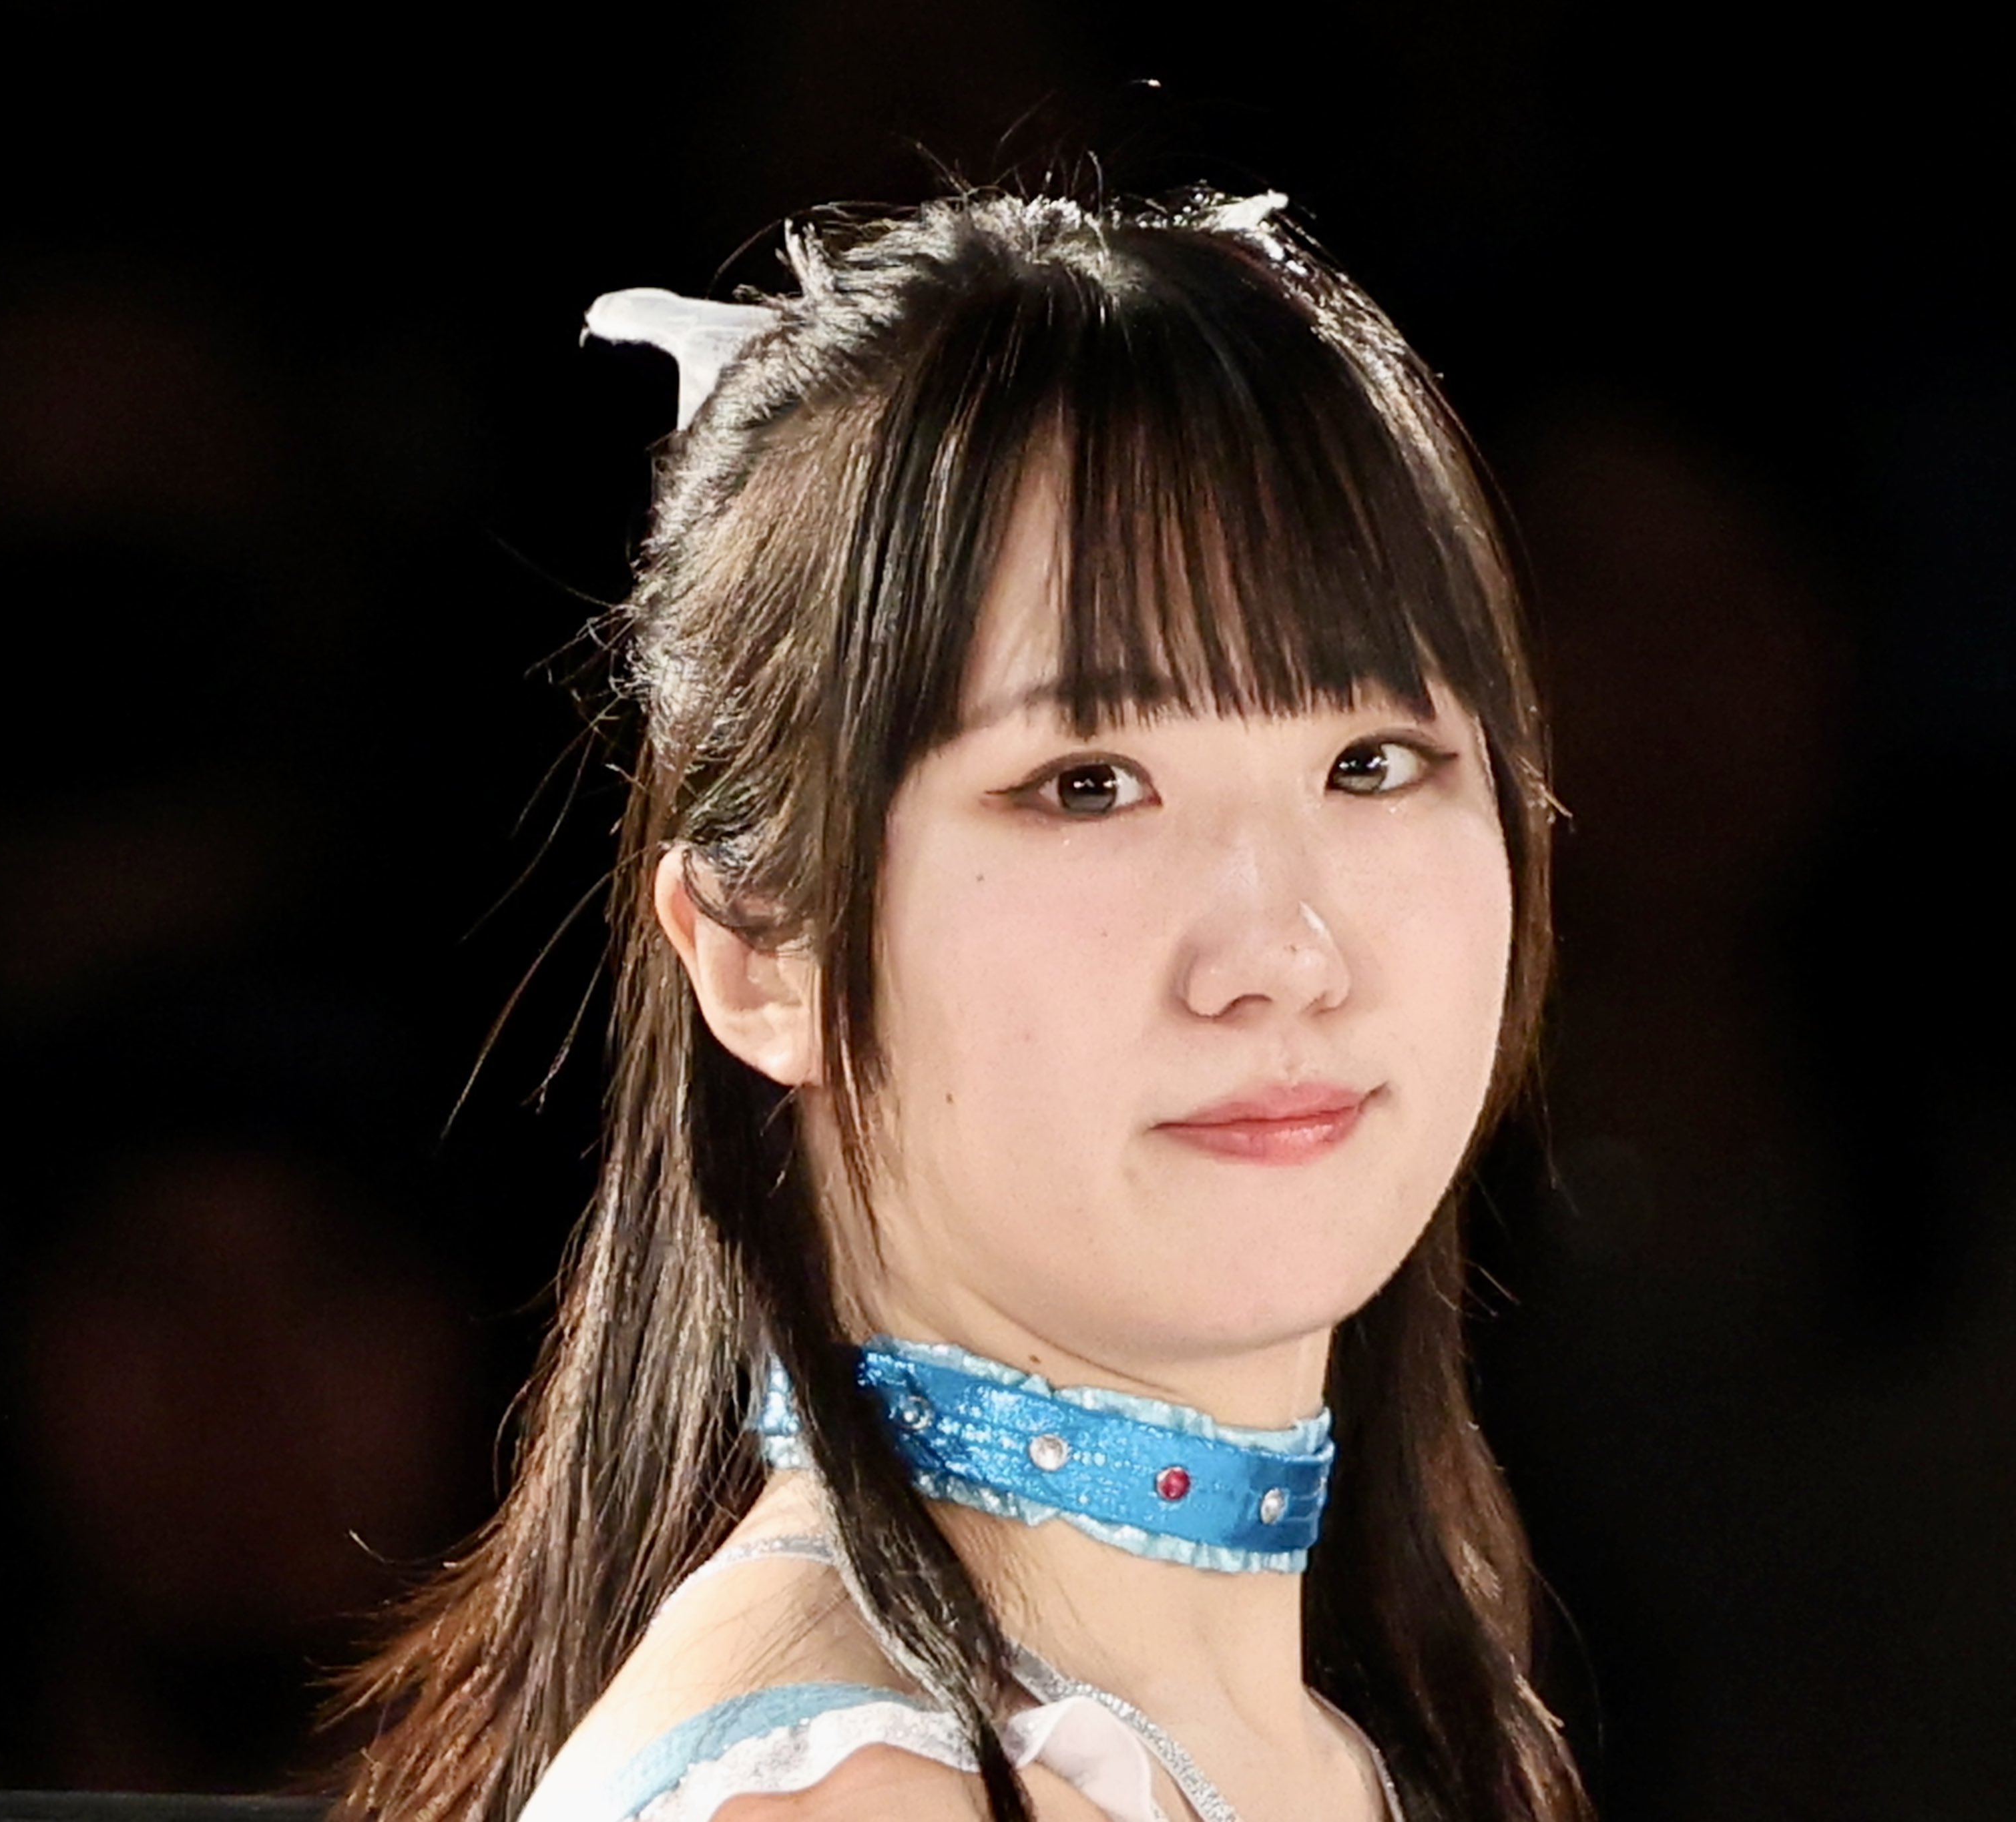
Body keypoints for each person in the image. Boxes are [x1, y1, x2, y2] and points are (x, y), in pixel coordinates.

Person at [339, 188, 1587, 1822]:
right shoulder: (833, 1796)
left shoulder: (1371, 1745)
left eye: (1369, 762)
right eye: (1087, 783)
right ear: (757, 952)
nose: (1283, 952)